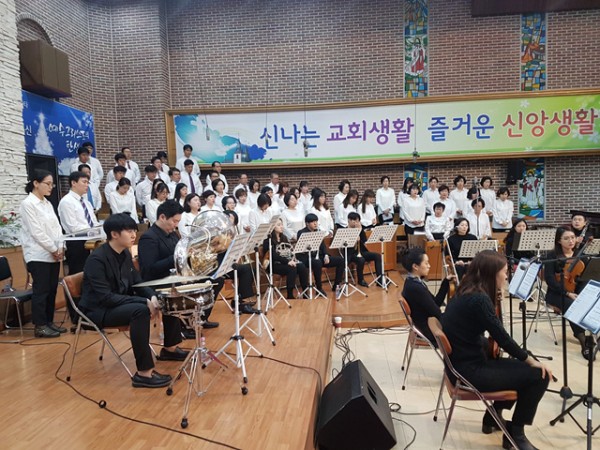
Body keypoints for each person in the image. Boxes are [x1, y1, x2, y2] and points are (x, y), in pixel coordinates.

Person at [441, 250, 551, 450]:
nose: (507, 276)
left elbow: (487, 333)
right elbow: (502, 337)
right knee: (539, 376)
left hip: (459, 365)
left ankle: (492, 418)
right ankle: (515, 434)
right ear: (492, 274)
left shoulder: (466, 288)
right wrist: (529, 360)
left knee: (522, 370)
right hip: (469, 372)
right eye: (504, 271)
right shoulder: (479, 299)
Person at [79, 213, 188, 388]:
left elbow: (137, 282)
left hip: (118, 302)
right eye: (129, 231)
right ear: (114, 234)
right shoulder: (97, 259)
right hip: (98, 310)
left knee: (164, 297)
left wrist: (152, 297)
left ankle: (170, 348)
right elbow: (106, 297)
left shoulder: (124, 253)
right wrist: (143, 302)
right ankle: (144, 373)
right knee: (140, 310)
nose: (133, 235)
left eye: (134, 231)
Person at [137, 200, 218, 328]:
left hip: (176, 275)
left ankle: (199, 320)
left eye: (178, 222)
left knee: (214, 279)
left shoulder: (173, 234)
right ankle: (184, 326)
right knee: (184, 286)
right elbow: (150, 269)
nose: (176, 225)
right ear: (162, 217)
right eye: (174, 221)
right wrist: (178, 256)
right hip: (159, 280)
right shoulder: (148, 237)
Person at [20, 169, 65, 338]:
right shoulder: (28, 204)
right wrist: (53, 249)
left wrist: (60, 246)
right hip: (38, 254)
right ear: (36, 183)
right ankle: (40, 325)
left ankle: (49, 322)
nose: (51, 187)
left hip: (53, 254)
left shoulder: (47, 203)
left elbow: (57, 228)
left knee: (52, 289)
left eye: (52, 184)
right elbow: (36, 232)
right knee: (42, 290)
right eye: (48, 183)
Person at [544, 227, 590, 360]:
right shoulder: (552, 256)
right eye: (566, 238)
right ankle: (583, 342)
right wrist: (567, 293)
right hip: (555, 293)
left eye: (572, 237)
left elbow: (583, 279)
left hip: (575, 292)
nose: (571, 241)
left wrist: (581, 295)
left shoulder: (580, 255)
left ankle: (592, 335)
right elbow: (550, 280)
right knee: (572, 306)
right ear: (559, 241)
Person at [401, 247, 450, 344]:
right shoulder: (416, 288)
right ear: (415, 266)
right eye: (426, 263)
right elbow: (436, 312)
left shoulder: (412, 281)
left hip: (426, 325)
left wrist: (446, 281)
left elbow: (436, 303)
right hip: (427, 330)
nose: (429, 266)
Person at [58, 171, 99, 279]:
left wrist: (99, 230)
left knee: (91, 273)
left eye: (88, 182)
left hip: (91, 240)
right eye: (84, 182)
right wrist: (92, 230)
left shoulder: (86, 202)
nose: (87, 185)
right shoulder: (66, 202)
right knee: (78, 275)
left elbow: (93, 221)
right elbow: (73, 227)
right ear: (73, 183)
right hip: (76, 242)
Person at [297, 213, 344, 294]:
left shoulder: (318, 231)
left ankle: (336, 285)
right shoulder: (301, 232)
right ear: (307, 223)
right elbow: (302, 249)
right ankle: (319, 288)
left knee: (340, 260)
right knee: (317, 262)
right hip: (307, 258)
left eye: (316, 221)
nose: (315, 224)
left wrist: (326, 255)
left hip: (319, 257)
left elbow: (323, 246)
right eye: (313, 222)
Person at [264, 219, 308, 299]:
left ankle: (305, 292)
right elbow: (273, 256)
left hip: (285, 262)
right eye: (279, 225)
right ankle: (290, 294)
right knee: (291, 268)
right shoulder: (268, 241)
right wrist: (288, 261)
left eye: (282, 224)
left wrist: (292, 259)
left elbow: (289, 251)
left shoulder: (284, 238)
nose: (281, 226)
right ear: (273, 227)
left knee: (301, 266)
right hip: (274, 264)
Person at [347, 212, 382, 287]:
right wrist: (354, 239)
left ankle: (380, 280)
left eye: (358, 221)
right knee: (361, 260)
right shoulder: (345, 231)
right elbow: (346, 246)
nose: (356, 223)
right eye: (355, 221)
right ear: (349, 220)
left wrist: (360, 231)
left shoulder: (360, 229)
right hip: (351, 254)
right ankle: (361, 280)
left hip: (361, 252)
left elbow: (364, 241)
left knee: (377, 256)